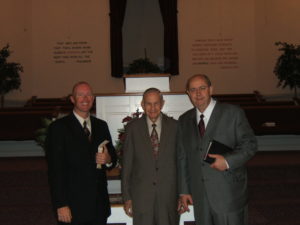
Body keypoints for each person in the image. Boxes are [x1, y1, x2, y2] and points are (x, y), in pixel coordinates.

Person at [177, 74, 257, 225]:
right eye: (193, 90)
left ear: (211, 89)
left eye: (202, 88)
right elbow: (182, 158)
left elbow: (250, 145)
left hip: (228, 192)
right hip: (199, 194)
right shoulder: (184, 120)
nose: (198, 93)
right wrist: (184, 190)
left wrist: (227, 161)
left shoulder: (232, 113)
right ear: (188, 94)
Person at [46, 81, 117, 225]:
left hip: (98, 205)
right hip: (73, 206)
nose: (85, 99)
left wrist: (108, 158)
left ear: (93, 98)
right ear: (72, 99)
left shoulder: (101, 126)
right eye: (80, 95)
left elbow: (113, 157)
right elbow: (55, 171)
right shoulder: (58, 128)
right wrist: (61, 204)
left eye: (89, 95)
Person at [121, 88, 179, 225]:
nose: (152, 108)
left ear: (162, 103)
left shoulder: (175, 127)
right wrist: (127, 197)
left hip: (169, 197)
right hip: (141, 198)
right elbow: (127, 165)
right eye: (148, 104)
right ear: (142, 104)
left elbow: (180, 163)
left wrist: (182, 194)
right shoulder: (132, 128)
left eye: (156, 103)